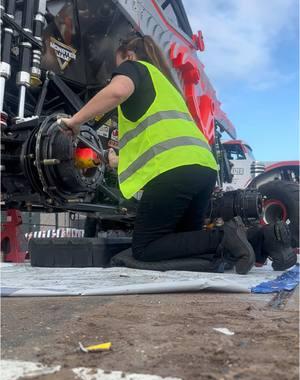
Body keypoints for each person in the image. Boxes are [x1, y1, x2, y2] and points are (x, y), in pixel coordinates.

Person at [59, 34, 295, 273]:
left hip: (174, 170)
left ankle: (226, 237)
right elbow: (158, 141)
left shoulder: (134, 67)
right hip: (202, 167)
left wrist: (75, 121)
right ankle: (265, 238)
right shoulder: (168, 87)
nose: (116, 71)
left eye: (117, 64)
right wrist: (117, 161)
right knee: (186, 242)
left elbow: (116, 92)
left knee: (145, 248)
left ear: (129, 56)